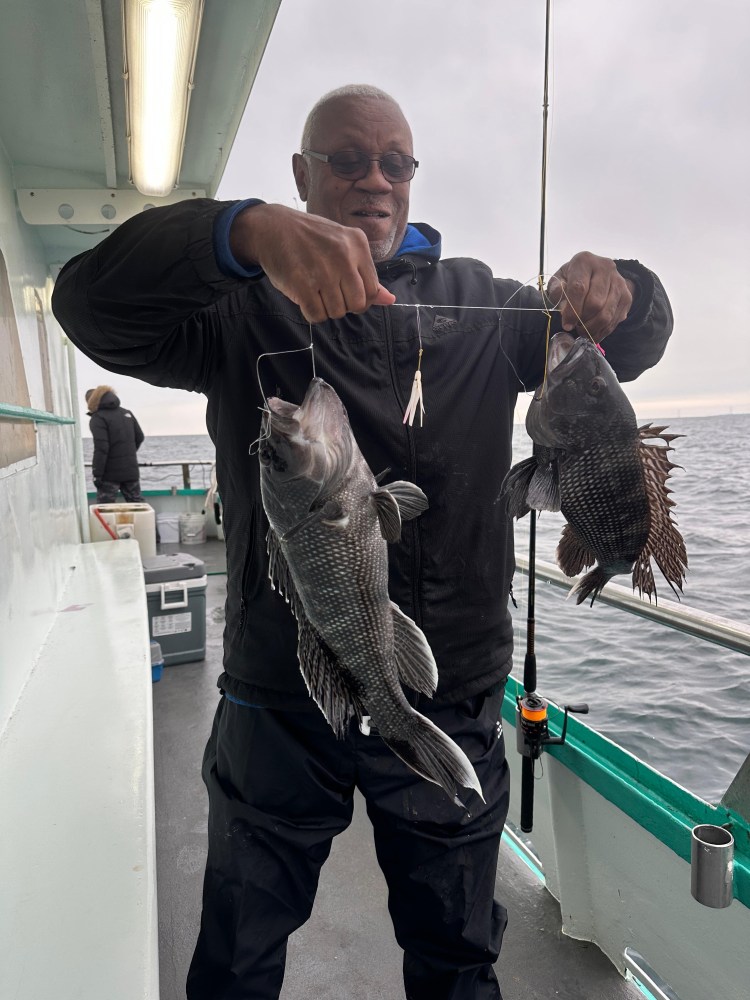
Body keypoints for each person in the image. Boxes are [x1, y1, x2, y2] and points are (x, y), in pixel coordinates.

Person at [53, 84, 673, 999]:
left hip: (447, 685)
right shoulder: (238, 308)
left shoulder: (484, 304)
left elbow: (637, 345)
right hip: (278, 686)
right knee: (237, 951)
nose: (373, 180)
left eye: (395, 163)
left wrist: (622, 287)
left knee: (458, 957)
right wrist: (242, 233)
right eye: (345, 160)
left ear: (414, 181)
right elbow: (88, 308)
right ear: (303, 176)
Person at [85, 385, 145, 503]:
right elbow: (140, 437)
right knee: (137, 504)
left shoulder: (98, 418)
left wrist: (97, 474)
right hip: (130, 470)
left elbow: (101, 448)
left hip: (109, 474)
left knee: (105, 508)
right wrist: (127, 454)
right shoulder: (127, 413)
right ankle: (143, 522)